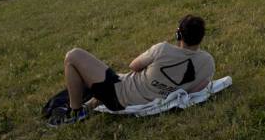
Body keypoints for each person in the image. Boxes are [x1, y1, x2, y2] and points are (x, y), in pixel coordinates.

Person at [48, 14, 215, 127]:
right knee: (113, 79)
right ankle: (88, 106)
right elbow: (196, 90)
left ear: (179, 35)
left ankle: (75, 112)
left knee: (73, 56)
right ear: (201, 36)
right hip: (140, 98)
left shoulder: (162, 49)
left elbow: (133, 66)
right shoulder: (208, 62)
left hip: (119, 95)